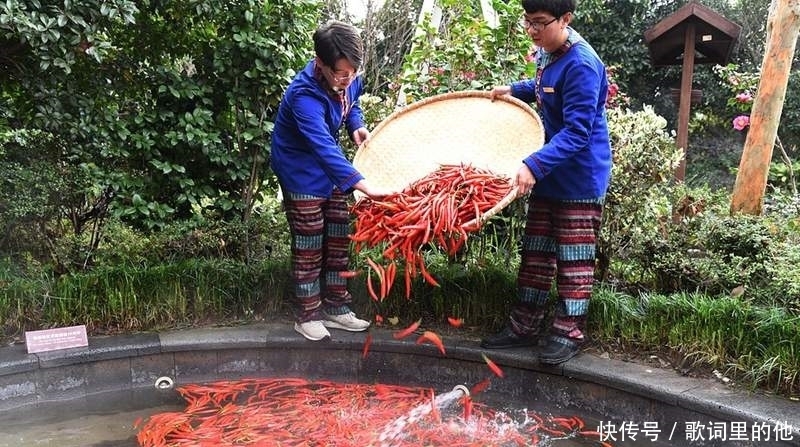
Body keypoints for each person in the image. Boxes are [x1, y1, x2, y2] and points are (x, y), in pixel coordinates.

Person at [480, 0, 612, 365]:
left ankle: (569, 332)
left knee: (574, 258)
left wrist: (533, 165)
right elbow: (544, 87)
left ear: (565, 19)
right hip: (548, 172)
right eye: (528, 22)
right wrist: (513, 89)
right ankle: (524, 326)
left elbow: (578, 133)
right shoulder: (548, 52)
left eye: (540, 23)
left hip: (579, 177)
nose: (532, 30)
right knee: (536, 254)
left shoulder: (583, 65)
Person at [270, 20, 391, 342]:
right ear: (319, 63)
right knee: (310, 240)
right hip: (301, 168)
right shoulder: (302, 95)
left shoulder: (347, 74)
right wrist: (362, 183)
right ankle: (307, 314)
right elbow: (322, 145)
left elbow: (353, 101)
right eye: (340, 73)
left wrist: (356, 124)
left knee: (338, 234)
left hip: (330, 166)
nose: (347, 78)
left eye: (352, 71)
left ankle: (336, 308)